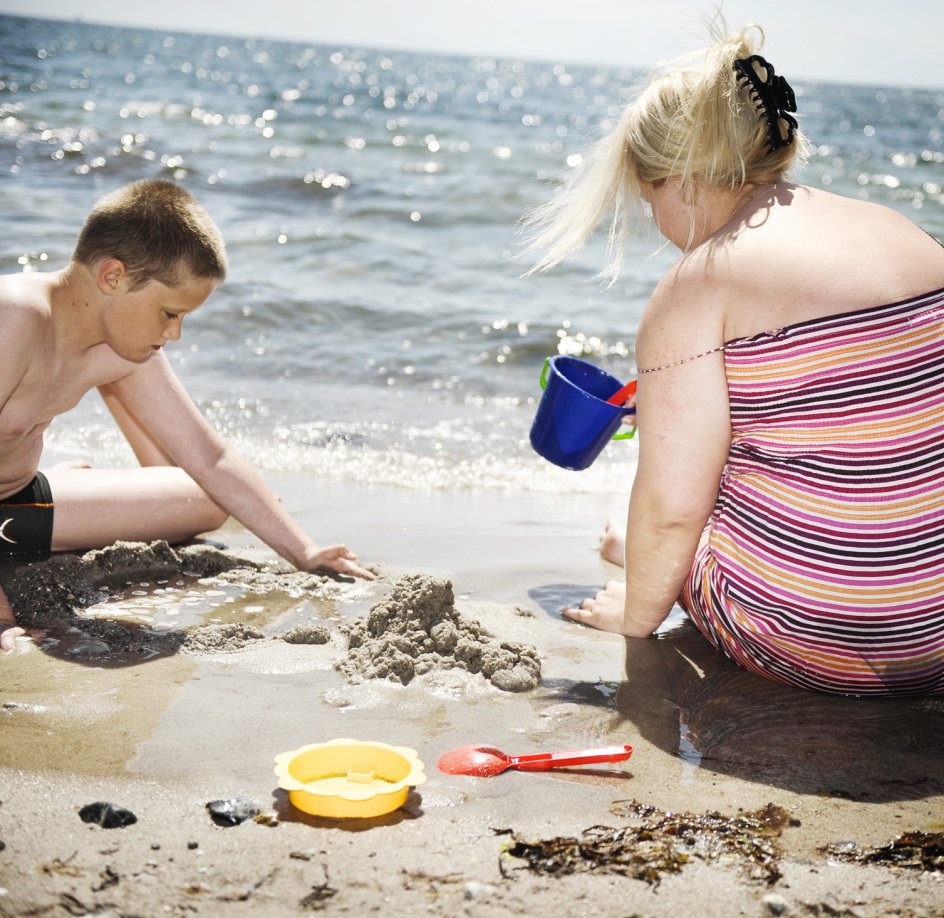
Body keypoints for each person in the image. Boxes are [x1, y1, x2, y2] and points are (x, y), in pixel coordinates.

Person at [524, 21, 944, 695]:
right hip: (935, 635)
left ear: (684, 182)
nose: (657, 222)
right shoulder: (903, 231)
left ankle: (641, 563)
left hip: (820, 639)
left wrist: (635, 615)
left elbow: (672, 504)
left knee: (681, 504)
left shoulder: (700, 284)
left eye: (648, 197)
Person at [0, 178, 372, 651]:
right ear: (112, 276)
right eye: (169, 313)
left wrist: (304, 550)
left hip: (17, 497)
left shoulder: (124, 346)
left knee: (206, 499)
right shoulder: (15, 315)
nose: (174, 334)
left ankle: (64, 495)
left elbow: (208, 456)